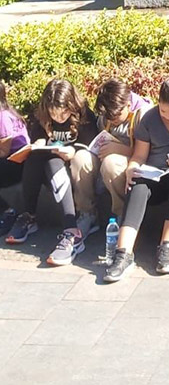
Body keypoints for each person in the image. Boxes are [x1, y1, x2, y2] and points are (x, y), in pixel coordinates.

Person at [104, 75, 169, 282]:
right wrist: (132, 168)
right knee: (138, 181)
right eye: (163, 110)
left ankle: (167, 246)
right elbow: (139, 155)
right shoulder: (149, 119)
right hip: (154, 174)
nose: (168, 116)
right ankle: (123, 253)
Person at [5, 78, 98, 264]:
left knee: (53, 162)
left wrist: (73, 151)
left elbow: (92, 146)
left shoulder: (84, 115)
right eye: (54, 114)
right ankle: (29, 216)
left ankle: (71, 231)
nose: (59, 118)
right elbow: (38, 138)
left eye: (64, 113)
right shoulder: (42, 117)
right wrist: (39, 142)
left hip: (71, 170)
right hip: (49, 169)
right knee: (35, 157)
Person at [93, 79, 152, 220]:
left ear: (128, 105)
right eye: (108, 117)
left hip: (134, 164)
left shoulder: (143, 115)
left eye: (117, 115)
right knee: (81, 158)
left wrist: (120, 150)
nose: (113, 120)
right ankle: (87, 212)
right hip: (106, 158)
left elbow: (150, 153)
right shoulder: (106, 115)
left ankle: (122, 214)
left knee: (110, 163)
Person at [0, 80, 29, 237]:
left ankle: (7, 211)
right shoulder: (7, 111)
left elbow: (4, 151)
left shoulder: (3, 116)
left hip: (16, 163)